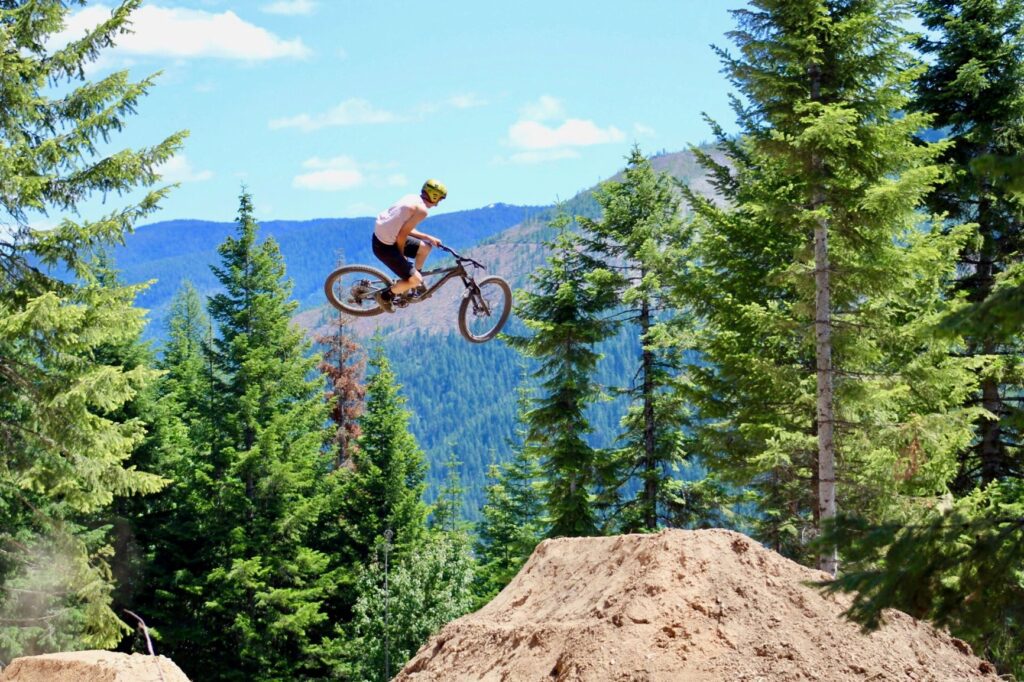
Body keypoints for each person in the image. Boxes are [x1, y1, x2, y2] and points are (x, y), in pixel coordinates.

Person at [372, 179, 446, 312]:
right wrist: (402, 256)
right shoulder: (422, 210)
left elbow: (401, 228)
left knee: (425, 247)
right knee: (414, 279)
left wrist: (427, 237)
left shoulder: (411, 197)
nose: (437, 205)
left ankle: (416, 282)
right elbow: (402, 235)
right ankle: (384, 296)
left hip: (382, 237)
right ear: (434, 196)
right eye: (439, 200)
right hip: (385, 247)